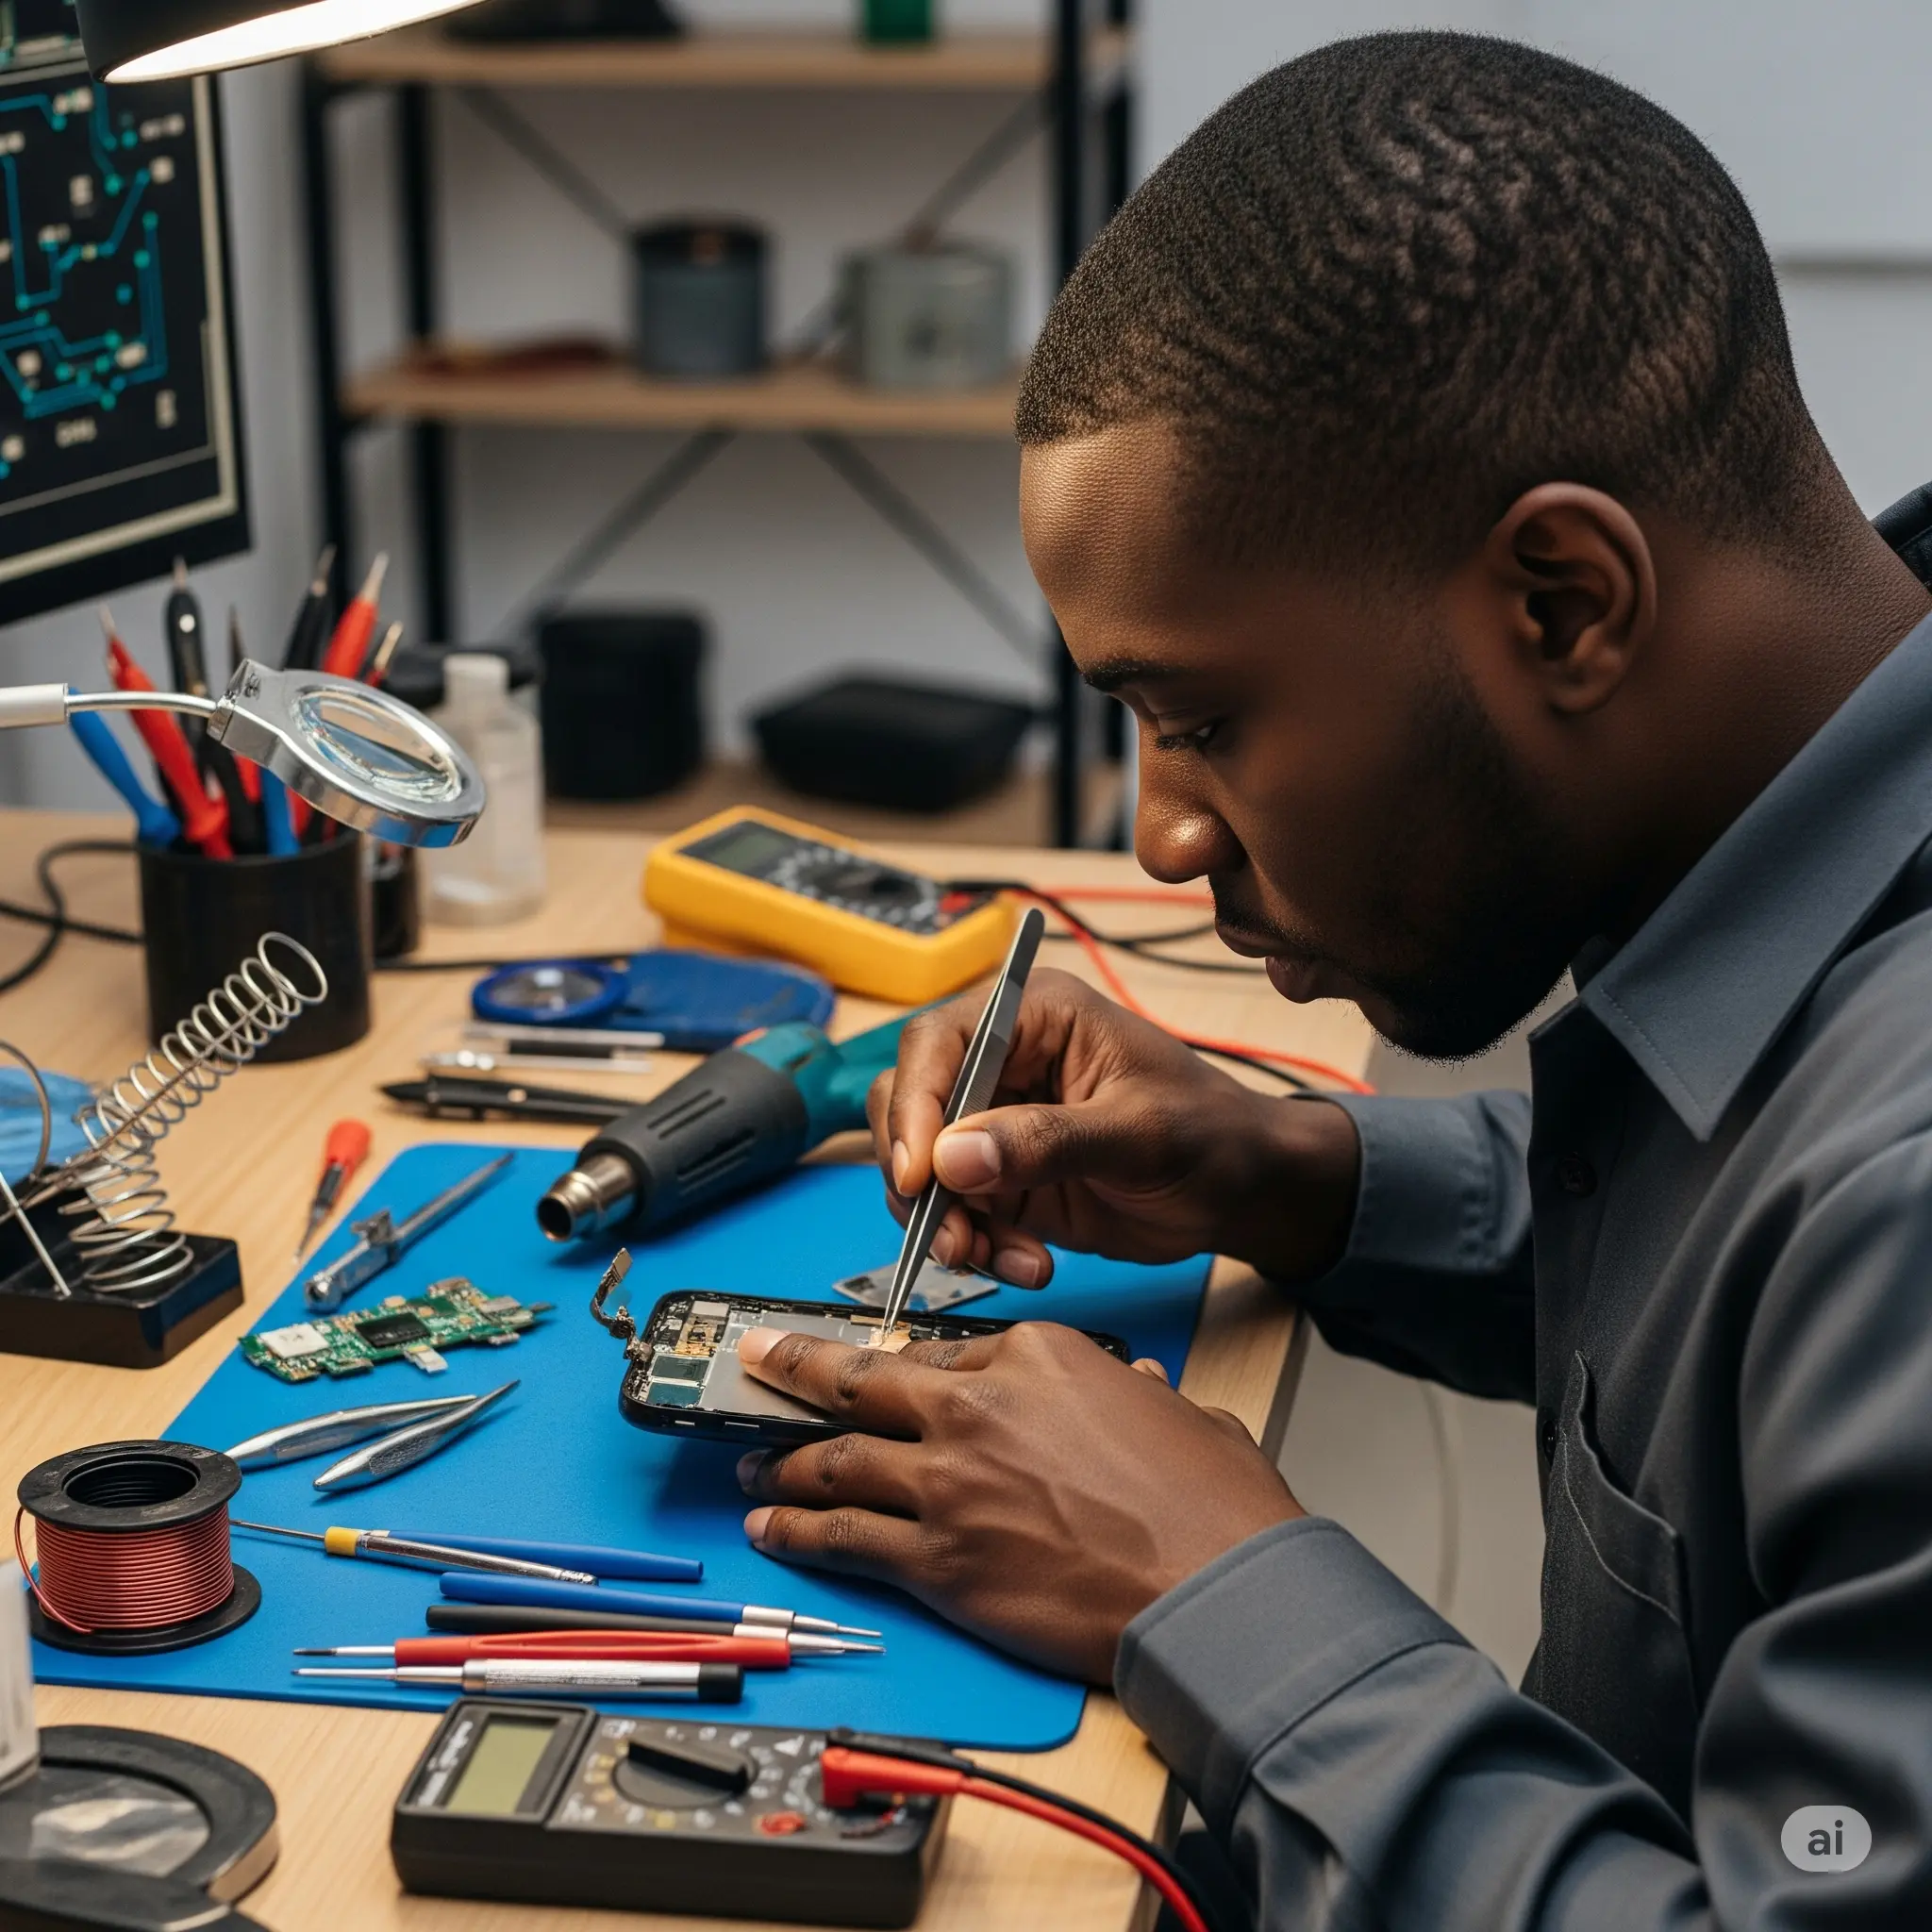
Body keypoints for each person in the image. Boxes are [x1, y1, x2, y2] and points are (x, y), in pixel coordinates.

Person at [730, 30, 1932, 1928]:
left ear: (1561, 604)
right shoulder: (1809, 822)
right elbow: (1765, 1325)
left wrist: (1207, 1583)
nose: (1157, 840)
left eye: (1198, 718)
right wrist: (1290, 1170)